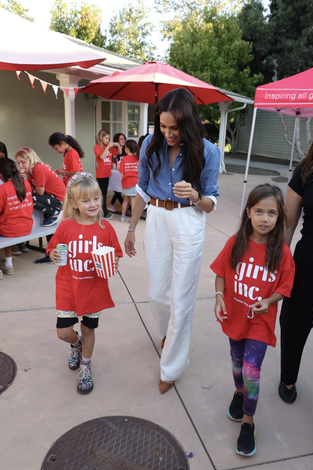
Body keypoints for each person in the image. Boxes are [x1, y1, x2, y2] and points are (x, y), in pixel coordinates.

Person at [124, 88, 220, 394]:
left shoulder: (208, 151)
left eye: (174, 128)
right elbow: (141, 188)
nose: (167, 133)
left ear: (188, 123)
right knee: (156, 293)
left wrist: (195, 195)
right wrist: (130, 229)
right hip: (156, 217)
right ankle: (167, 333)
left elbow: (211, 202)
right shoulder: (150, 148)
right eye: (163, 127)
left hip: (189, 220)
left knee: (181, 297)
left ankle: (172, 366)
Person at [211, 184, 295, 457]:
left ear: (279, 217)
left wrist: (269, 302)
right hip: (235, 316)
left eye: (271, 213)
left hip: (260, 322)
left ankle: (248, 421)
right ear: (248, 212)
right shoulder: (235, 243)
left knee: (251, 371)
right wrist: (218, 296)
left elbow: (284, 288)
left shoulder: (281, 251)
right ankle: (238, 393)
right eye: (259, 211)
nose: (264, 218)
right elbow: (220, 273)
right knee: (236, 364)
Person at [47, 172, 123, 394]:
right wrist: (52, 254)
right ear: (74, 203)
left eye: (97, 198)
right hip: (68, 287)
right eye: (86, 200)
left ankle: (86, 366)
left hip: (93, 289)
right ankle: (75, 344)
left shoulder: (105, 228)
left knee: (89, 329)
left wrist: (113, 262)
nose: (93, 204)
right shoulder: (65, 226)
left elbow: (115, 253)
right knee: (63, 332)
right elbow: (53, 248)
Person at [278, 119, 313, 404]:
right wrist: (276, 265)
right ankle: (288, 378)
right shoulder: (305, 170)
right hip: (308, 261)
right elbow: (289, 225)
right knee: (294, 324)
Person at [15, 147, 66, 227]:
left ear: (30, 160)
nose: (21, 166)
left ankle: (55, 213)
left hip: (61, 200)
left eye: (23, 162)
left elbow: (39, 192)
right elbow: (29, 190)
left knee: (30, 198)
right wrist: (22, 178)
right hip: (51, 198)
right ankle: (52, 213)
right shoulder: (31, 173)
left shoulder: (39, 169)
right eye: (18, 163)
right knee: (28, 197)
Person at [0, 158, 33, 278]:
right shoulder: (26, 183)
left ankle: (5, 266)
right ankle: (8, 264)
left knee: (7, 227)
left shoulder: (3, 189)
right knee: (8, 225)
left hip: (11, 230)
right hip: (26, 227)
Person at [94, 129, 120, 219]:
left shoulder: (108, 147)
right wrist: (108, 146)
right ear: (101, 138)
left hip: (107, 174)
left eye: (108, 138)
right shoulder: (97, 146)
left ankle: (103, 212)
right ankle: (103, 213)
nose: (107, 140)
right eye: (106, 138)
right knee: (103, 194)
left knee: (103, 194)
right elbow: (101, 156)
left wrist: (118, 145)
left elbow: (118, 153)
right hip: (101, 174)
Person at [118, 139, 139, 222]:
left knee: (126, 199)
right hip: (135, 182)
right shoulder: (137, 157)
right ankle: (132, 218)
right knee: (133, 200)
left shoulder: (124, 159)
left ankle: (123, 217)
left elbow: (120, 172)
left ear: (127, 149)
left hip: (126, 182)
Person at [107, 133, 126, 213]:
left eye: (124, 138)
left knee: (120, 189)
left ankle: (116, 204)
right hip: (115, 173)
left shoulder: (126, 150)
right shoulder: (112, 150)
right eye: (121, 138)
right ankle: (122, 206)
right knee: (117, 189)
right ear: (117, 140)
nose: (123, 140)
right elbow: (114, 161)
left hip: (123, 173)